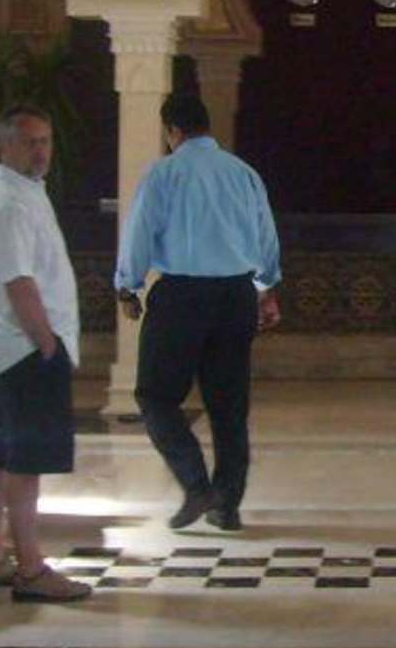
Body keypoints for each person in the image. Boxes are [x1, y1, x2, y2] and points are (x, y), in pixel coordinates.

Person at [115, 93, 282, 534]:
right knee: (229, 408)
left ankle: (196, 484)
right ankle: (227, 506)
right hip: (235, 296)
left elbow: (140, 233)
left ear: (172, 130)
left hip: (181, 296)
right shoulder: (243, 174)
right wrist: (266, 288)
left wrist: (128, 285)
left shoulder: (164, 174)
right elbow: (266, 238)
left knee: (155, 397)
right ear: (207, 126)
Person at [0, 105, 91, 603]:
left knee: (1, 456)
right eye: (28, 142)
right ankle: (31, 570)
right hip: (26, 348)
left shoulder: (24, 193)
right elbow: (19, 281)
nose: (40, 151)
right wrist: (46, 341)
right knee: (25, 462)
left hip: (21, 347)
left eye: (45, 141)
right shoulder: (8, 203)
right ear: (4, 146)